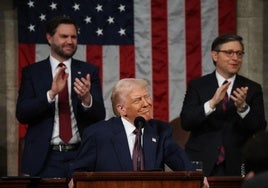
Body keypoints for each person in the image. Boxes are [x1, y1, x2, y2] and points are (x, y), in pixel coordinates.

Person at [68, 78, 206, 188]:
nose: (147, 103)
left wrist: (197, 178)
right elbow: (78, 172)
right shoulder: (98, 134)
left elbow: (181, 162)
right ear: (122, 109)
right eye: (138, 100)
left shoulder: (161, 131)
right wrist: (74, 180)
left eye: (147, 97)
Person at [16, 16, 106, 178]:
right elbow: (22, 114)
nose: (70, 41)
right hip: (45, 159)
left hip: (81, 156)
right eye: (64, 36)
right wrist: (50, 94)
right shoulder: (32, 72)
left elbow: (100, 115)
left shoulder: (88, 71)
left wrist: (86, 99)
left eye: (74, 37)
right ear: (49, 38)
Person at [180, 34, 266, 176]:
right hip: (203, 161)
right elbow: (186, 122)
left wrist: (243, 108)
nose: (235, 58)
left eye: (239, 53)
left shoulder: (252, 88)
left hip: (238, 163)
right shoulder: (198, 86)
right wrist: (211, 104)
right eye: (229, 52)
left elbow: (259, 128)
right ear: (215, 55)